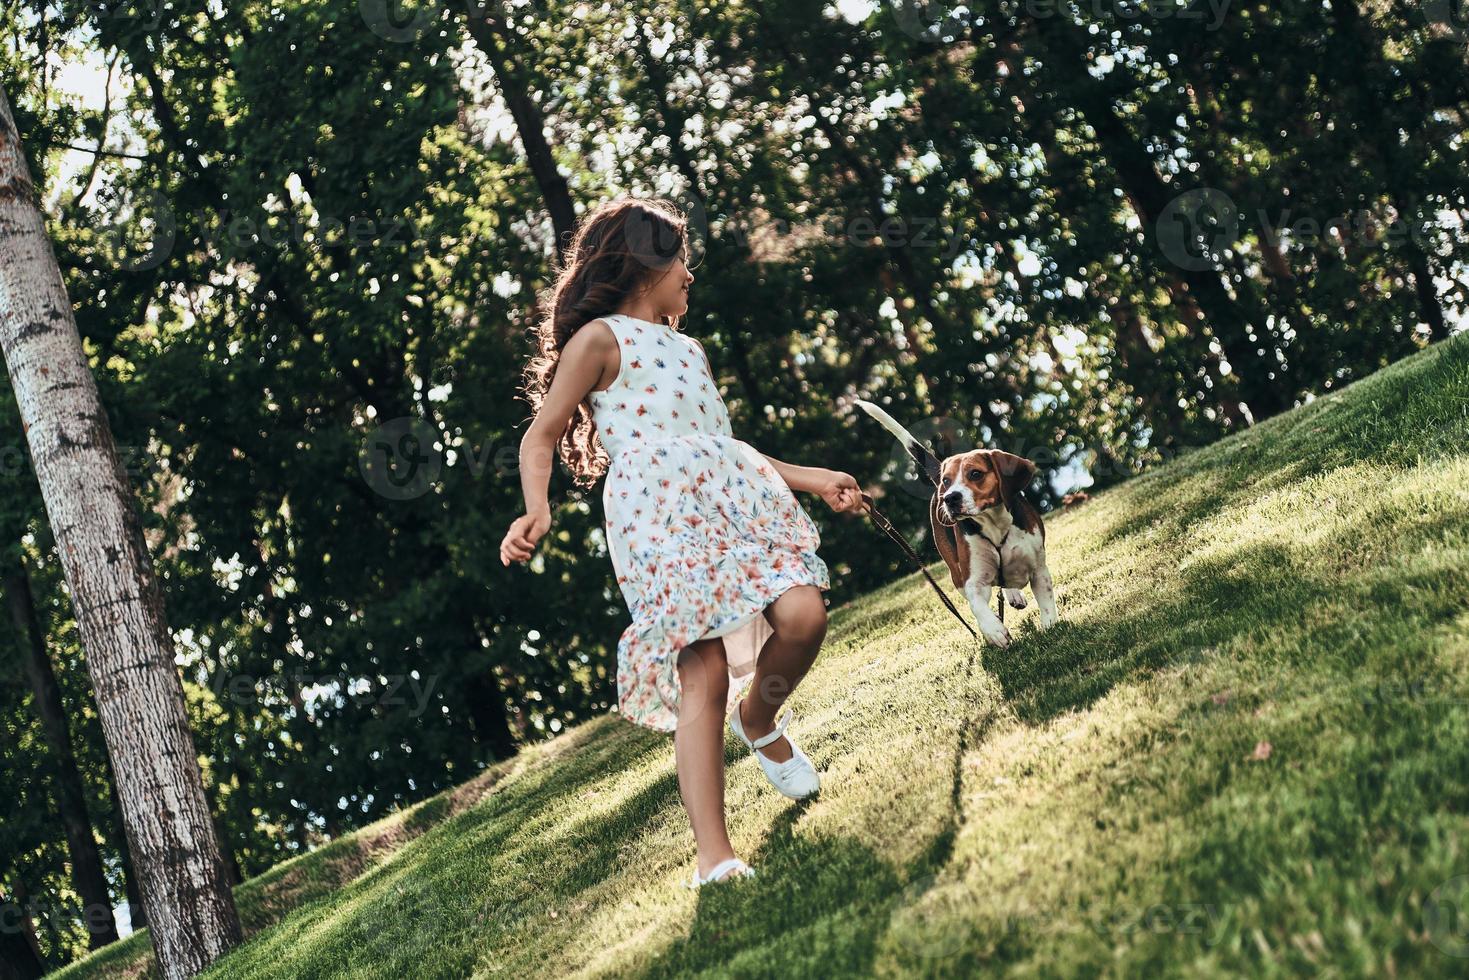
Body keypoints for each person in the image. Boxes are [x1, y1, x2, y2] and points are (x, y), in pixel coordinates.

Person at [501, 198, 863, 887]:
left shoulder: (689, 349)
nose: (690, 276)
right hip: (655, 516)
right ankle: (714, 856)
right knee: (699, 669)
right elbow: (540, 433)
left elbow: (719, 446)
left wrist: (812, 478)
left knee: (803, 613)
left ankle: (758, 717)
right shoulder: (600, 340)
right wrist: (536, 510)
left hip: (733, 497)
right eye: (680, 261)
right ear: (643, 265)